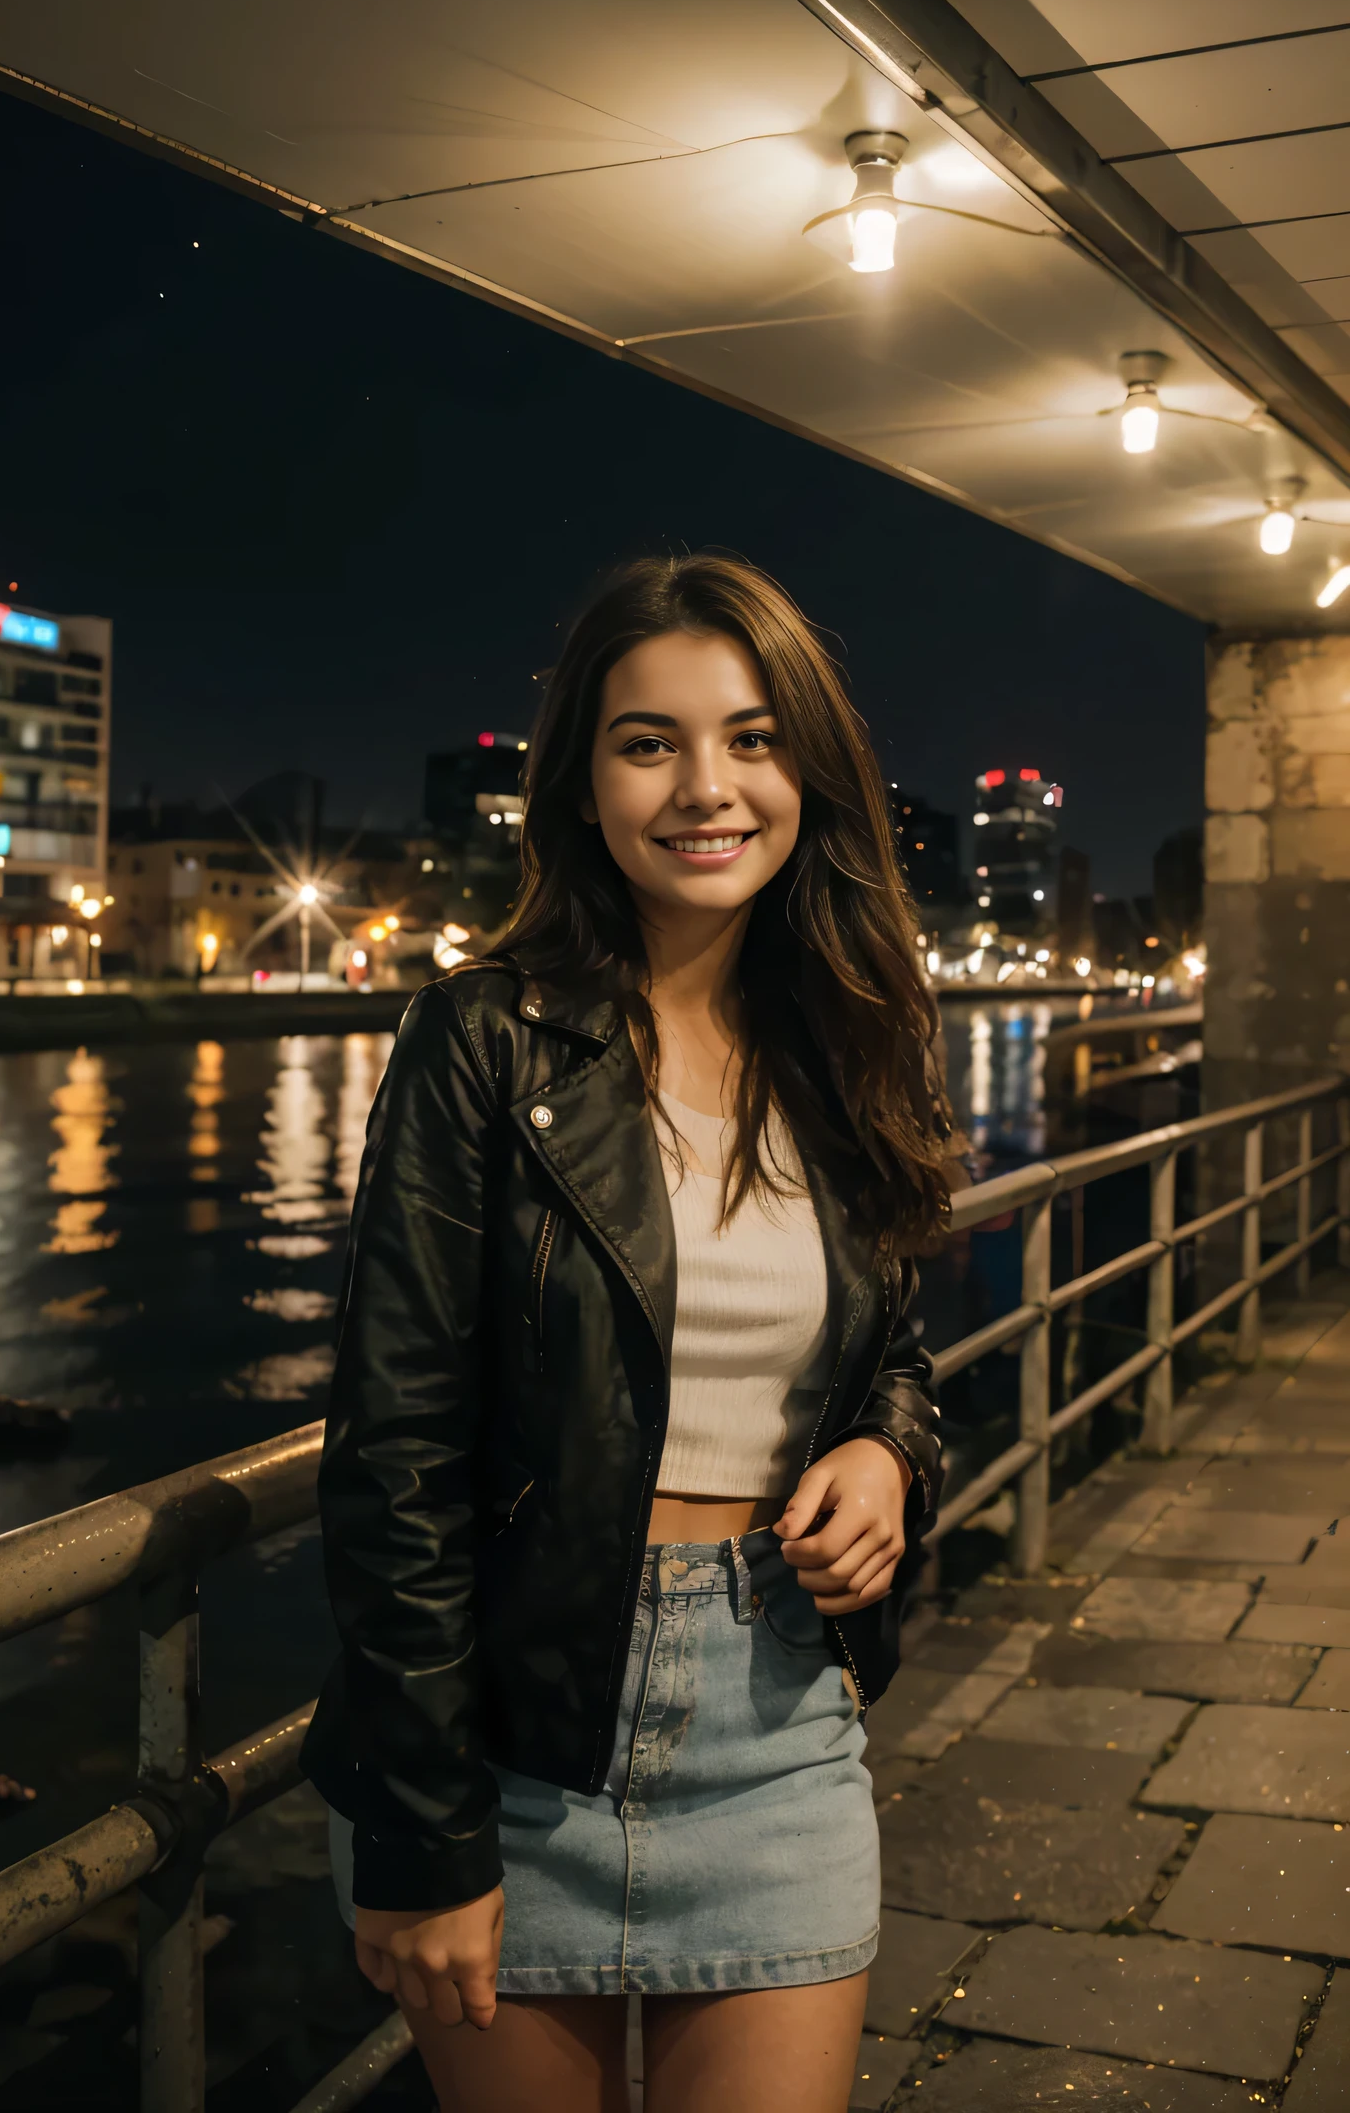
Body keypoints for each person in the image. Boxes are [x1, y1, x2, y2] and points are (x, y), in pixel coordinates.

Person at [302, 553, 951, 2113]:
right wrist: (422, 1829)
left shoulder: (856, 1042)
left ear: (810, 768)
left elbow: (894, 1354)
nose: (705, 787)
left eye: (751, 737)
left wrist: (887, 1449)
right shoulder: (479, 1038)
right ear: (581, 785)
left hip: (781, 1714)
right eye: (647, 741)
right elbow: (393, 1456)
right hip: (514, 1744)